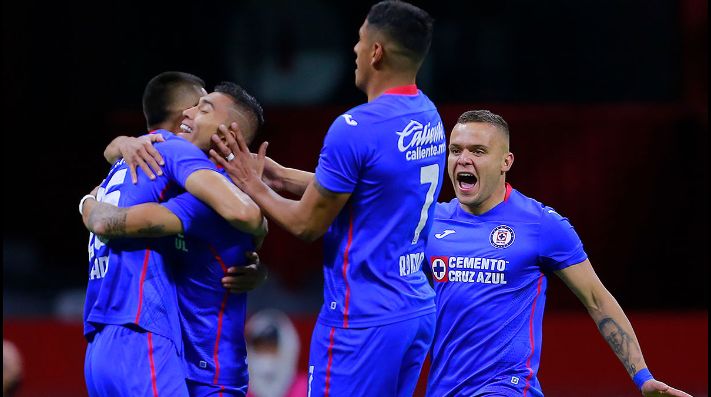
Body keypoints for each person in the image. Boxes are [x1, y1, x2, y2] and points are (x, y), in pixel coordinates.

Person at [213, 2, 445, 396]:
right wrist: (278, 174)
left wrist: (253, 185)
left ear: (376, 52)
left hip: (362, 318)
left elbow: (307, 224)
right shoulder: (427, 115)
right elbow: (365, 189)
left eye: (359, 40)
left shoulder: (355, 128)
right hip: (414, 310)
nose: (353, 50)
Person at [423, 110, 692, 397]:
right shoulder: (429, 223)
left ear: (506, 162)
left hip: (506, 388)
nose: (464, 159)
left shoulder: (541, 224)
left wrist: (642, 377)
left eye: (478, 151)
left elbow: (597, 299)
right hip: (443, 388)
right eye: (455, 150)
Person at [79, 80, 267, 397]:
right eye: (193, 104)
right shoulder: (173, 177)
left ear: (228, 133)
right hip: (169, 357)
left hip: (210, 375)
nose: (189, 112)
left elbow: (249, 214)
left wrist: (259, 232)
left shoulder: (208, 192)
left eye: (202, 108)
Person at [245, 310, 307, 397]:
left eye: (271, 347)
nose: (266, 354)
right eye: (260, 347)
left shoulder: (306, 387)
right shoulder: (239, 388)